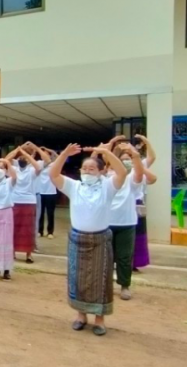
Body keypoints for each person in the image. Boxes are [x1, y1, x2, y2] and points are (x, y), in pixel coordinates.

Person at [49, 143, 128, 336]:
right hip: (77, 239)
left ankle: (99, 320)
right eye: (84, 168)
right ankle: (80, 315)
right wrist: (65, 153)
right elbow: (53, 174)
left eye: (92, 168)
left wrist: (106, 152)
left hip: (100, 240)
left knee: (101, 281)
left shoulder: (108, 187)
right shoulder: (74, 187)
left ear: (101, 171)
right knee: (78, 279)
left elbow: (123, 173)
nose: (87, 171)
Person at [106, 140, 153, 301]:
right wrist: (108, 148)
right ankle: (105, 285)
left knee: (125, 257)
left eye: (128, 159)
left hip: (127, 223)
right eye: (122, 159)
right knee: (106, 256)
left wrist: (135, 155)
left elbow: (141, 174)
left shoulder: (132, 177)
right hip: (106, 223)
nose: (125, 162)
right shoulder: (107, 176)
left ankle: (124, 285)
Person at [7, 143, 42, 265]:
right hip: (14, 201)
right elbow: (7, 160)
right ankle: (12, 252)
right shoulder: (15, 169)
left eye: (25, 158)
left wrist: (27, 155)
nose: (22, 160)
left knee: (28, 229)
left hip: (29, 202)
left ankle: (29, 254)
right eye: (21, 158)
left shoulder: (32, 170)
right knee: (14, 227)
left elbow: (38, 167)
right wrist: (18, 149)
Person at [130, 135, 157, 272]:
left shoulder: (141, 165)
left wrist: (145, 141)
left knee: (138, 235)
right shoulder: (118, 168)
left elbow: (152, 157)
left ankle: (135, 263)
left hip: (137, 204)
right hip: (120, 205)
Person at [37, 147, 59, 238]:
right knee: (40, 213)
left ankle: (50, 232)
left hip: (51, 192)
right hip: (40, 191)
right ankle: (40, 231)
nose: (43, 155)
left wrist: (47, 149)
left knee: (50, 213)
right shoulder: (39, 163)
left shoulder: (53, 164)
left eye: (45, 153)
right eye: (42, 154)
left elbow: (58, 156)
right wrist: (35, 151)